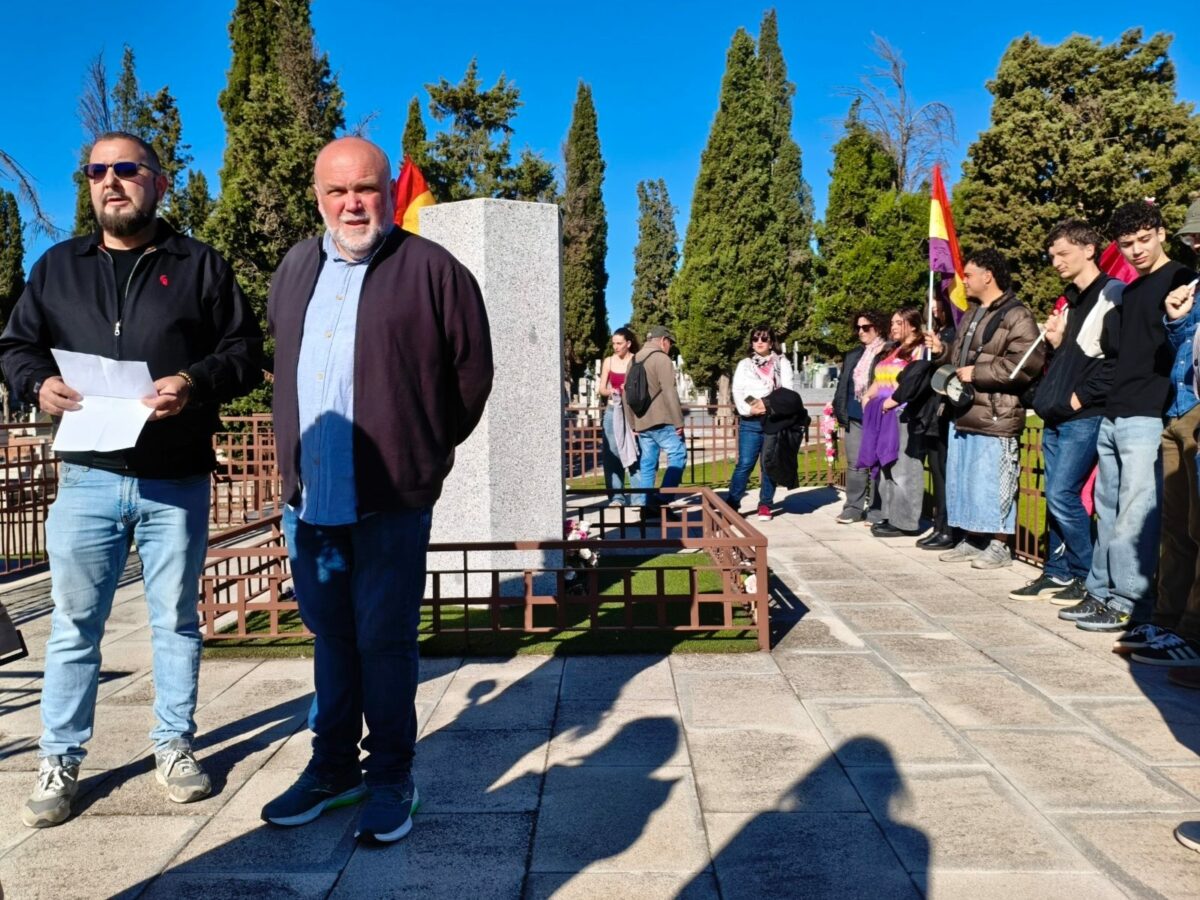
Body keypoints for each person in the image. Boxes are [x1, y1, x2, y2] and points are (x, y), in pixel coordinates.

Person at [0, 131, 263, 828]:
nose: (109, 182)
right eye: (95, 172)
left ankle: (174, 746)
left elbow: (244, 352)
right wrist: (37, 384)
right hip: (86, 476)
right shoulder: (56, 268)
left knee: (176, 622)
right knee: (72, 626)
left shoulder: (200, 266)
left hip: (174, 476)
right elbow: (15, 345)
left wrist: (193, 380)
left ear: (159, 181)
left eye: (125, 169)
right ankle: (60, 758)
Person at [259, 137, 493, 843]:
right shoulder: (297, 266)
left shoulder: (433, 271)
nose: (353, 203)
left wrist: (421, 449)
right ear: (319, 198)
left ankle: (390, 774)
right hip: (312, 499)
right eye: (337, 192)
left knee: (385, 641)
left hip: (391, 497)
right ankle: (332, 768)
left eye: (366, 188)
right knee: (331, 637)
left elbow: (470, 377)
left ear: (388, 191)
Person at [1059, 201, 1195, 633]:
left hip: (1151, 413)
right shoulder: (1129, 290)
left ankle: (1130, 601)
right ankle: (1100, 592)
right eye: (1126, 244)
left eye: (1143, 240)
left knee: (1138, 513)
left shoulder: (1182, 279)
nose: (1135, 250)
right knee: (1108, 507)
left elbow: (1184, 353)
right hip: (1115, 411)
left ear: (1160, 232)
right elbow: (1117, 355)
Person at [1011, 221, 1119, 605]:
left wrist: (1080, 398)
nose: (1054, 261)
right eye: (1051, 255)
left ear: (1089, 250)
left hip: (1083, 415)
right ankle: (1057, 572)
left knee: (1062, 495)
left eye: (1062, 253)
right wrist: (1057, 343)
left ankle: (1089, 575)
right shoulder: (1070, 298)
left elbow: (1115, 361)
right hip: (1056, 414)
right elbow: (1071, 358)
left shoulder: (1112, 294)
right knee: (1055, 498)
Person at [926, 249, 1044, 570]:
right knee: (965, 481)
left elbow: (1026, 362)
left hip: (996, 414)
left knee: (995, 483)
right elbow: (960, 359)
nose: (963, 280)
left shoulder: (1017, 315)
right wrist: (943, 351)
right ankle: (972, 539)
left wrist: (976, 373)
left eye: (968, 275)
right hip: (964, 410)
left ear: (987, 275)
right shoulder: (973, 312)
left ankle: (999, 546)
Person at [1119, 197, 1200, 662]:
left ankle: (1191, 632)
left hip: (1183, 411)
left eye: (1143, 239)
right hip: (1181, 408)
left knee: (1198, 525)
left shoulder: (1181, 274)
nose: (1195, 243)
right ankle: (1169, 623)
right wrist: (1177, 320)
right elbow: (1185, 350)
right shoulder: (1191, 285)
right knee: (1177, 527)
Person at [863, 308, 926, 537]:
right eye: (892, 323)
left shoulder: (920, 350)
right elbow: (881, 378)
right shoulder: (894, 349)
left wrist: (893, 400)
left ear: (913, 324)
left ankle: (906, 521)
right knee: (886, 467)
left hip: (903, 414)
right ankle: (889, 515)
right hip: (883, 414)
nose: (894, 327)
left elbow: (915, 381)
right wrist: (868, 396)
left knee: (904, 469)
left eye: (899, 322)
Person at [728, 325, 794, 521]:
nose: (759, 342)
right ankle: (732, 502)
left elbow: (788, 392)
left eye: (764, 339)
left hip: (773, 420)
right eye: (756, 339)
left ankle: (765, 504)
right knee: (745, 464)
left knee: (768, 464)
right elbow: (738, 391)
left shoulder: (782, 364)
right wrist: (752, 406)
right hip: (750, 421)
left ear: (771, 342)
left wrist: (767, 406)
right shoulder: (744, 364)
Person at [832, 311, 886, 524]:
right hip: (854, 416)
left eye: (866, 327)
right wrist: (839, 408)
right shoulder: (854, 354)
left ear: (878, 327)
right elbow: (844, 384)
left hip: (878, 415)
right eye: (858, 327)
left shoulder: (887, 351)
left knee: (879, 464)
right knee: (855, 463)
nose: (861, 331)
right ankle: (853, 507)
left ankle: (876, 510)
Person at [915, 296, 957, 550]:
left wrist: (941, 349)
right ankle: (940, 524)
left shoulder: (952, 333)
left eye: (938, 303)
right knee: (937, 470)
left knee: (944, 469)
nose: (934, 308)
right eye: (929, 304)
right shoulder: (934, 333)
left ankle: (949, 528)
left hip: (944, 407)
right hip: (930, 409)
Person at [630, 325, 686, 514]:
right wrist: (679, 422)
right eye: (669, 343)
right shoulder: (661, 359)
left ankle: (647, 505)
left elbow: (625, 395)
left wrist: (632, 423)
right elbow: (670, 391)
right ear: (663, 341)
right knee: (678, 454)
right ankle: (663, 499)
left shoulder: (634, 359)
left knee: (647, 463)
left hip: (642, 422)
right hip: (663, 420)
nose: (670, 347)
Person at [598, 327, 639, 506]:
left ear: (628, 344)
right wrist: (613, 390)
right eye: (613, 343)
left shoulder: (636, 360)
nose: (615, 347)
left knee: (635, 452)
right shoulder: (608, 361)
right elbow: (601, 388)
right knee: (612, 454)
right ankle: (617, 496)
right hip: (613, 411)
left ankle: (639, 496)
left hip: (632, 412)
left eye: (619, 343)